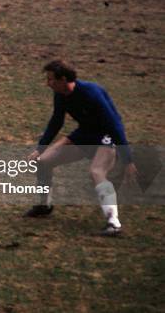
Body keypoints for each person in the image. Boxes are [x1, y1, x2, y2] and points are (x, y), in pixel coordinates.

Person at [25, 60, 138, 236]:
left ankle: (113, 222)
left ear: (63, 79)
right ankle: (44, 205)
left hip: (105, 137)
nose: (47, 83)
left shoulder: (91, 93)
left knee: (96, 172)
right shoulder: (60, 94)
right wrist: (40, 149)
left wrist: (127, 160)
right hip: (84, 135)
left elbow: (115, 125)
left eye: (50, 79)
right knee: (43, 162)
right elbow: (56, 121)